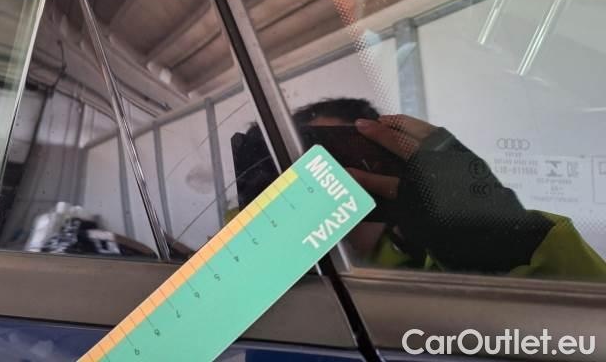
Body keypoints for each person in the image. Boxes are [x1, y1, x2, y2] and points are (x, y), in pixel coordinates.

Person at [231, 98, 606, 279]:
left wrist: (507, 243)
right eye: (303, 166)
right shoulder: (264, 273)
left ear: (390, 167)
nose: (328, 184)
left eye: (343, 159)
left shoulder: (445, 266)